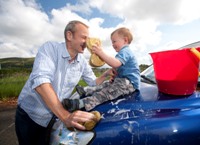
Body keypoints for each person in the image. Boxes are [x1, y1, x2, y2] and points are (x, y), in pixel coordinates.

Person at [15, 20, 115, 145]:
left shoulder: (82, 62)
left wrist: (106, 74)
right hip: (30, 116)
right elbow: (41, 81)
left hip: (53, 117)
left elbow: (93, 82)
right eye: (84, 37)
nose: (87, 42)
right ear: (69, 35)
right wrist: (65, 116)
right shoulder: (50, 48)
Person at [63, 27, 141, 112]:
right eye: (111, 42)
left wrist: (100, 52)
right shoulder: (122, 53)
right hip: (123, 81)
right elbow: (119, 69)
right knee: (106, 84)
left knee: (107, 92)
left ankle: (81, 103)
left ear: (125, 40)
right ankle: (87, 91)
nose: (112, 44)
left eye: (114, 41)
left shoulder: (126, 51)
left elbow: (115, 63)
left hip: (130, 84)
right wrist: (114, 77)